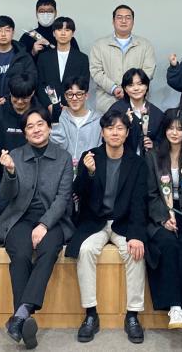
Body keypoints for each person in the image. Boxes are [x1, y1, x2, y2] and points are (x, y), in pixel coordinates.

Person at [0, 108, 74, 350]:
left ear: (49, 127)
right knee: (20, 254)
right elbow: (7, 196)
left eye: (40, 124)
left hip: (53, 220)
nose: (36, 129)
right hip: (20, 218)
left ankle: (20, 313)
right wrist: (9, 172)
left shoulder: (63, 157)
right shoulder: (15, 156)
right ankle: (23, 318)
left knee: (48, 251)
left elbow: (63, 198)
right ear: (24, 133)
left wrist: (44, 224)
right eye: (30, 126)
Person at [65, 111, 148, 345]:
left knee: (136, 252)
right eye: (110, 128)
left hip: (124, 222)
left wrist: (137, 235)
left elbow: (139, 203)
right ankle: (91, 314)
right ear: (102, 132)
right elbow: (77, 192)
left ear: (127, 133)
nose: (115, 132)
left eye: (120, 128)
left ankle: (132, 315)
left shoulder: (137, 163)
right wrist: (89, 173)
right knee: (85, 250)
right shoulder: (90, 156)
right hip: (95, 222)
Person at [144, 112, 182, 330]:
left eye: (180, 129)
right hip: (161, 212)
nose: (174, 133)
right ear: (164, 130)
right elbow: (151, 194)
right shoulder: (153, 156)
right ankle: (174, 306)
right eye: (171, 128)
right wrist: (163, 218)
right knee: (167, 244)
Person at [0, 74, 38, 230]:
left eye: (24, 98)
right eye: (15, 98)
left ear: (32, 94)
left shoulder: (39, 116)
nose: (19, 102)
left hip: (33, 183)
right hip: (4, 181)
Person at [89, 5, 156, 114]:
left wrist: (131, 88)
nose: (123, 21)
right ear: (113, 21)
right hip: (107, 103)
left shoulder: (145, 45)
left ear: (133, 22)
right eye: (119, 17)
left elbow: (148, 71)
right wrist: (114, 88)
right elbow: (96, 71)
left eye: (128, 17)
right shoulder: (99, 45)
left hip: (137, 103)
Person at [35, 16, 89, 116]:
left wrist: (70, 105)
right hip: (47, 109)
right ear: (53, 33)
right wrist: (49, 105)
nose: (63, 33)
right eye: (59, 30)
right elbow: (39, 84)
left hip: (72, 108)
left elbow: (84, 85)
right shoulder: (44, 57)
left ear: (73, 33)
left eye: (67, 30)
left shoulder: (82, 58)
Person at [108, 68, 167, 155]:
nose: (136, 88)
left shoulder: (157, 114)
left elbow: (163, 143)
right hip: (122, 158)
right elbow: (106, 138)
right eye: (131, 85)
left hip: (147, 161)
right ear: (125, 89)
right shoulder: (117, 109)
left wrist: (154, 145)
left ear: (146, 86)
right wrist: (124, 124)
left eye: (140, 84)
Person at [50, 77, 102, 165]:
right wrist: (55, 122)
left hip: (88, 169)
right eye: (70, 94)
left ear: (86, 96)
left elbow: (100, 149)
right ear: (65, 96)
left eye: (79, 94)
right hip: (63, 168)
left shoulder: (98, 120)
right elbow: (56, 148)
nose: (74, 98)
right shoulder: (60, 118)